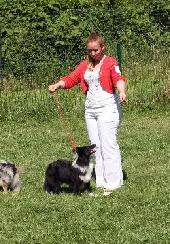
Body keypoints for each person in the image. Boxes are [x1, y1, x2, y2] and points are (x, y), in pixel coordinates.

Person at [49, 32, 127, 193]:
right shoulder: (85, 65)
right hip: (91, 110)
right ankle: (101, 179)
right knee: (96, 146)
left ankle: (114, 181)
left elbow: (119, 78)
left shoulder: (111, 63)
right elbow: (72, 78)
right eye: (89, 50)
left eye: (95, 50)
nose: (92, 53)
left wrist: (122, 92)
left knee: (108, 144)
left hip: (108, 108)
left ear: (102, 48)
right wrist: (58, 85)